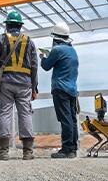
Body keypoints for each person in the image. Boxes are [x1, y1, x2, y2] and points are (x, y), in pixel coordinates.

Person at [0, 11, 38, 160]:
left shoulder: (0, 40)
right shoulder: (29, 41)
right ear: (20, 25)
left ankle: (3, 152)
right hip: (24, 84)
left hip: (5, 83)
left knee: (4, 114)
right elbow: (34, 66)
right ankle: (28, 152)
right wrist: (34, 87)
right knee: (25, 114)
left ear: (7, 25)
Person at [40, 22, 79, 159]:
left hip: (60, 89)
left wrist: (42, 57)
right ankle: (73, 148)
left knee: (65, 119)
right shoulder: (72, 50)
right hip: (72, 89)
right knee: (72, 119)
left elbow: (46, 66)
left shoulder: (57, 50)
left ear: (55, 38)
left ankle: (66, 149)